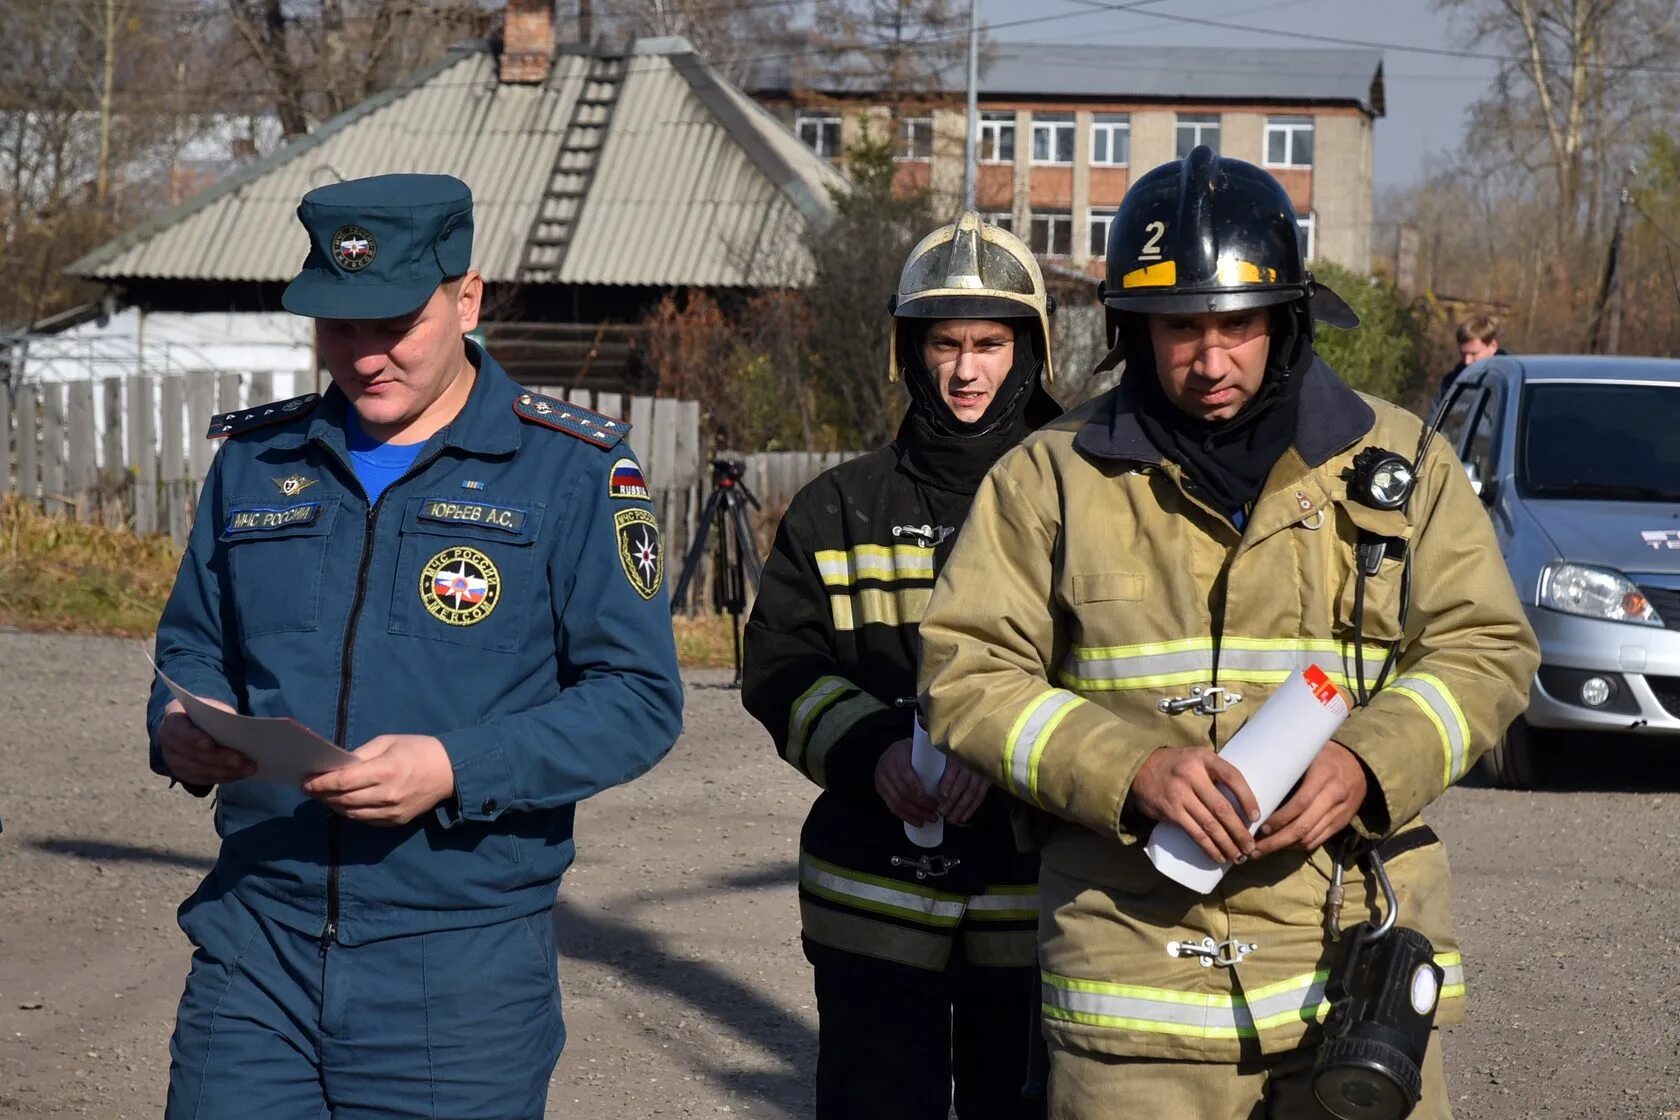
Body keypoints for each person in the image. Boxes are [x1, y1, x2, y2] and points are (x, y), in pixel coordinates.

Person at [917, 148, 1539, 1119]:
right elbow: (966, 672)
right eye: (1180, 328)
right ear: (1133, 328)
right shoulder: (1048, 480)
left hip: (1351, 979)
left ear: (1285, 318)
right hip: (1134, 1002)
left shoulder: (1402, 462)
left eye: (1237, 325)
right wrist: (1130, 772)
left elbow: (1487, 648)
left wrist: (1368, 766)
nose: (1210, 359)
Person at [146, 173, 684, 1119]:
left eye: (394, 323)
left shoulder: (572, 469)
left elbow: (638, 698)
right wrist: (179, 726)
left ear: (467, 298)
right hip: (254, 945)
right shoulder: (255, 462)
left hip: (459, 973)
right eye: (337, 326)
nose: (363, 356)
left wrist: (455, 765)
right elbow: (194, 645)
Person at [741, 212, 1061, 1120]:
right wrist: (873, 750)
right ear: (906, 352)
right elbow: (779, 666)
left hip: (1030, 907)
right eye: (944, 344)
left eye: (989, 344)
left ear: (1029, 350)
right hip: (869, 906)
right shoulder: (839, 507)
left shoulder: (1089, 500)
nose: (964, 370)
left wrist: (1003, 757)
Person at [1436, 313, 1506, 403]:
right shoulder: (1451, 382)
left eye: (1474, 354)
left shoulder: (1511, 382)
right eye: (1463, 354)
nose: (1467, 361)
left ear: (1493, 346)